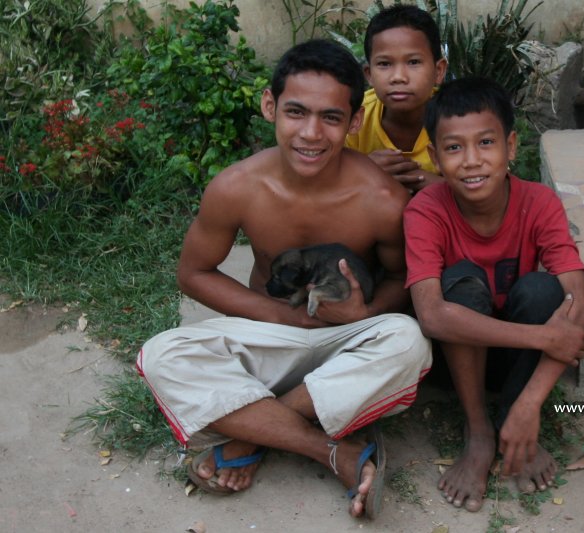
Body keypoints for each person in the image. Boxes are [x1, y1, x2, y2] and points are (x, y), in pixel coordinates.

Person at [136, 39, 432, 520]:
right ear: (269, 106)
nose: (311, 133)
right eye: (296, 112)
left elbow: (404, 279)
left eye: (331, 118)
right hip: (270, 337)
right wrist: (284, 315)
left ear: (354, 122)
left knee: (409, 342)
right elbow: (193, 273)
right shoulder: (237, 186)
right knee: (161, 355)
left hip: (347, 339)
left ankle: (252, 428)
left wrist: (364, 314)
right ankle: (329, 449)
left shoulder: (382, 198)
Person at [403, 77, 584, 512]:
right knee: (463, 282)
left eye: (485, 143)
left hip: (515, 363)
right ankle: (479, 431)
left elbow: (578, 303)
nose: (471, 161)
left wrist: (530, 404)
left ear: (510, 147)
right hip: (454, 360)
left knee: (543, 289)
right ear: (434, 157)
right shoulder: (426, 211)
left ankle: (515, 417)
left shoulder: (539, 202)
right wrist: (544, 338)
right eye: (453, 148)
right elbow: (431, 315)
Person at [345, 4, 447, 193]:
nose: (398, 76)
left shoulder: (458, 115)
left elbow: (484, 189)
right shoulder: (354, 115)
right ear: (369, 75)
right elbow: (324, 181)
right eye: (384, 64)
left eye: (414, 62)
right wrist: (363, 170)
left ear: (438, 71)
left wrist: (424, 180)